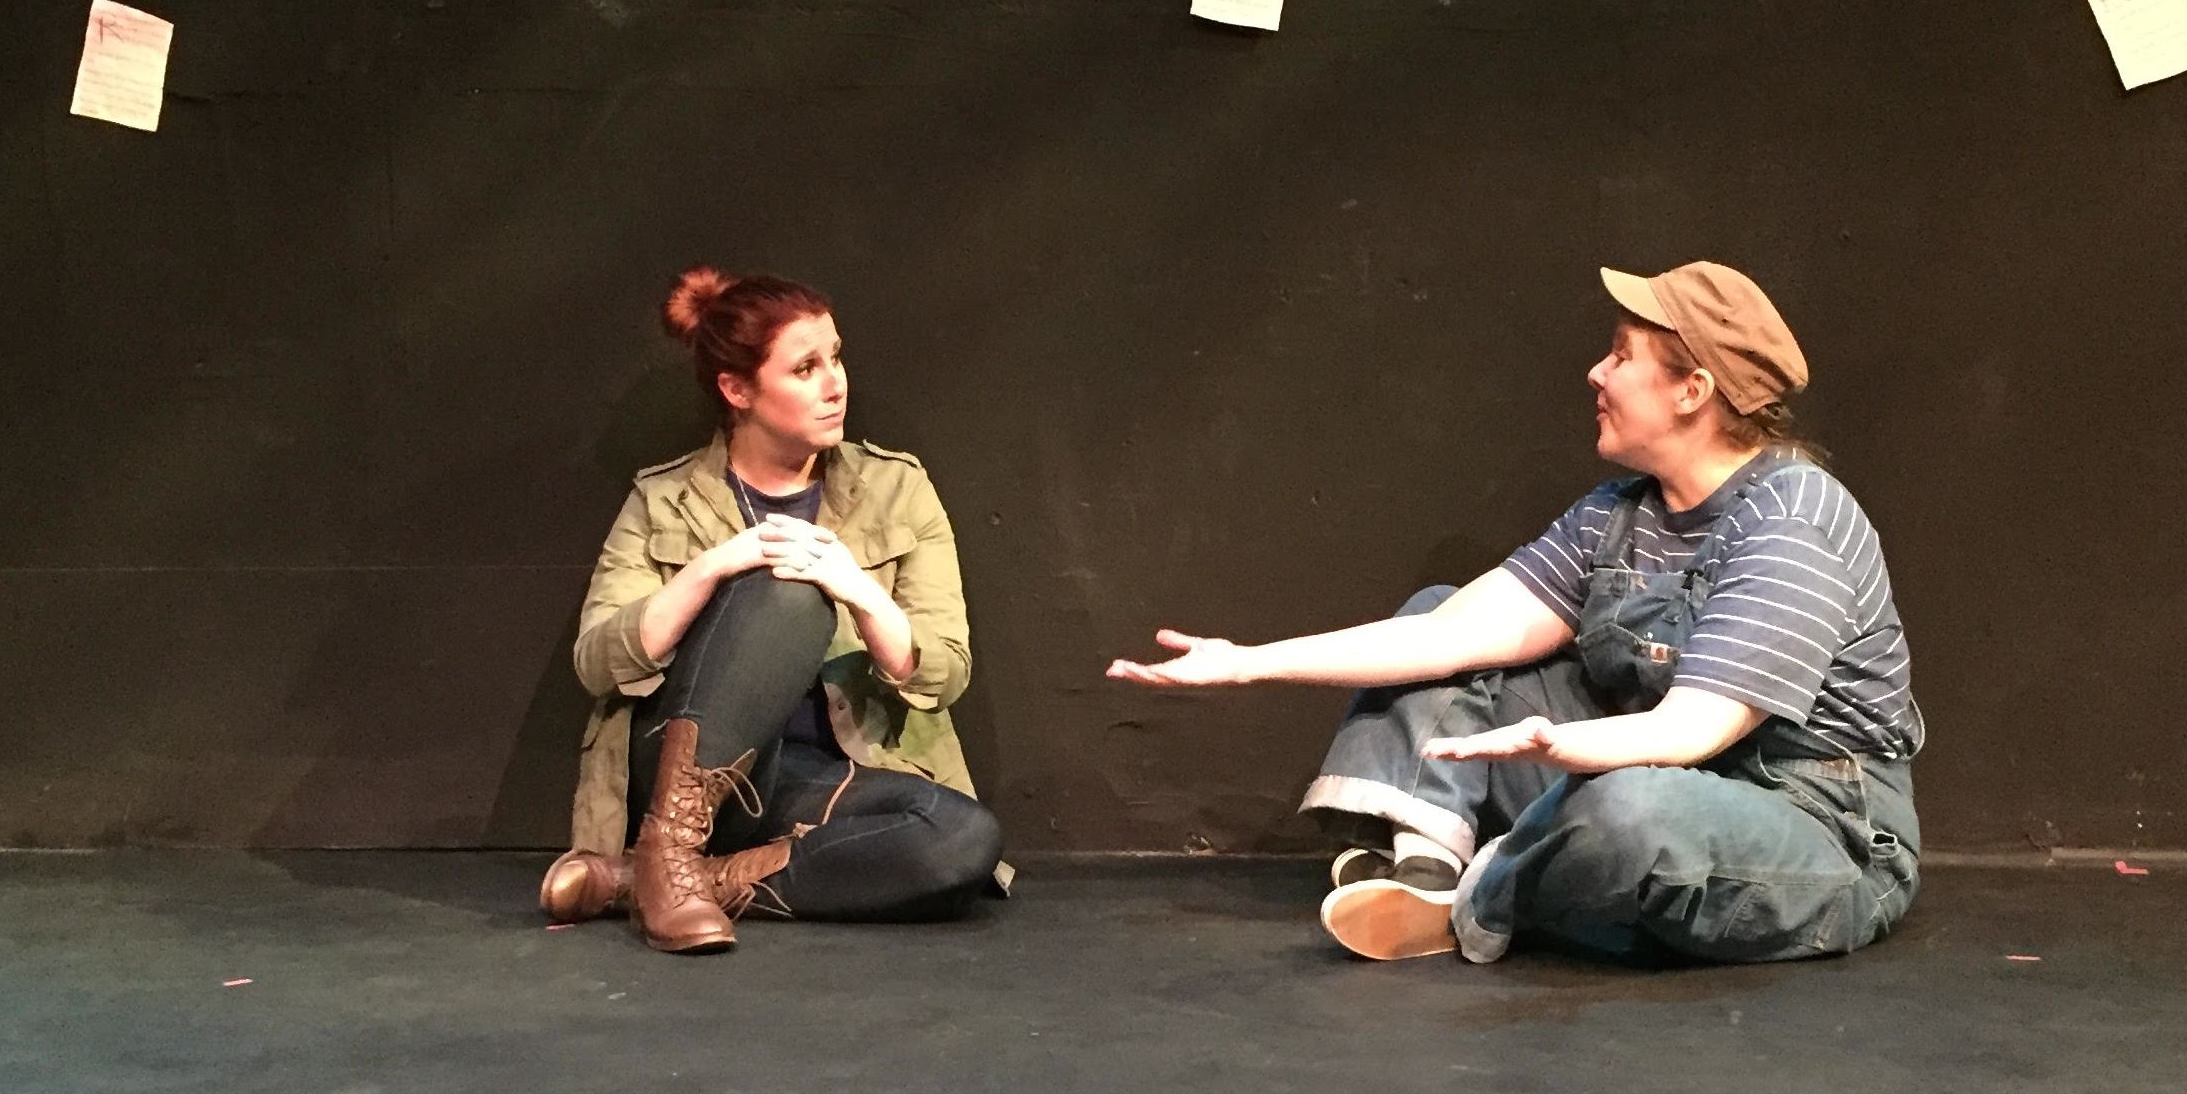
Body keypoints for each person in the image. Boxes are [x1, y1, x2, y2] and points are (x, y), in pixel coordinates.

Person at [1108, 261, 1922, 966]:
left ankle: (1488, 889)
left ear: (1692, 391)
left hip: (1810, 823)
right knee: (1442, 622)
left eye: (1622, 356)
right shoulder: (1617, 514)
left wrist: (1567, 747)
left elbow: (1694, 730)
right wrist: (1250, 660)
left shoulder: (1793, 516)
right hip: (1650, 766)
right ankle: (1427, 867)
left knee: (1629, 813)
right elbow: (1448, 634)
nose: (1597, 373)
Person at [542, 266, 1005, 953]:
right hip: (682, 776)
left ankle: (649, 880)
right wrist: (709, 569)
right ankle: (673, 846)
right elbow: (597, 663)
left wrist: (858, 590)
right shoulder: (664, 500)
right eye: (805, 368)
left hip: (813, 779)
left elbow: (945, 672)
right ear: (738, 390)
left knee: (963, 838)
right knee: (787, 593)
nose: (835, 384)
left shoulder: (897, 488)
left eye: (835, 358)